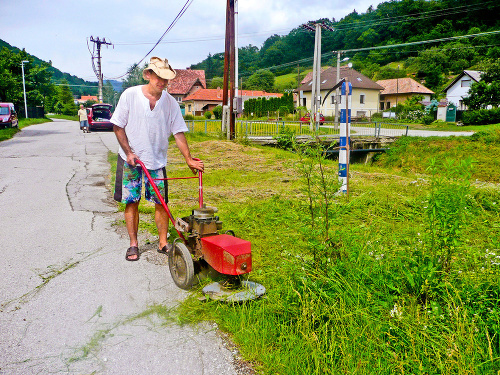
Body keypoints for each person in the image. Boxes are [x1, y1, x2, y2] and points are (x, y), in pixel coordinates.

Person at [111, 57, 204, 261]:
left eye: (166, 79)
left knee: (161, 203)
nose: (162, 82)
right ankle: (133, 244)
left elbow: (179, 133)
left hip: (156, 160)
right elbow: (117, 126)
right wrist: (128, 152)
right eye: (158, 77)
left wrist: (188, 159)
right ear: (148, 75)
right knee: (131, 201)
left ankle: (163, 243)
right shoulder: (130, 95)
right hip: (130, 160)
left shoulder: (170, 102)